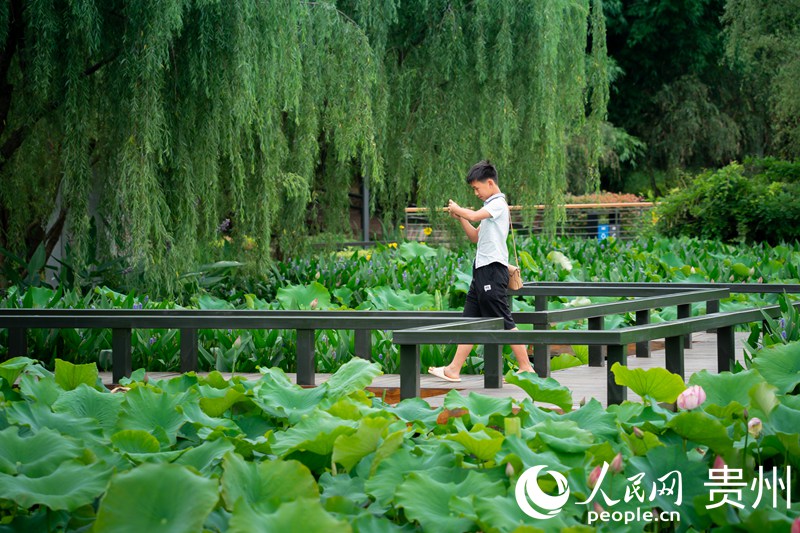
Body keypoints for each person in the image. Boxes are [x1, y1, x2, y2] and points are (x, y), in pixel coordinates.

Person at [428, 160, 534, 382]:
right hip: (481, 271)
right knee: (470, 321)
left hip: (493, 271)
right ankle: (453, 369)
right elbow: (475, 236)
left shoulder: (497, 203)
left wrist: (460, 209)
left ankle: (526, 367)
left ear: (489, 183)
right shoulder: (490, 209)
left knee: (504, 319)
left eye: (476, 188)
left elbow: (475, 215)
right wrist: (461, 218)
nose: (475, 193)